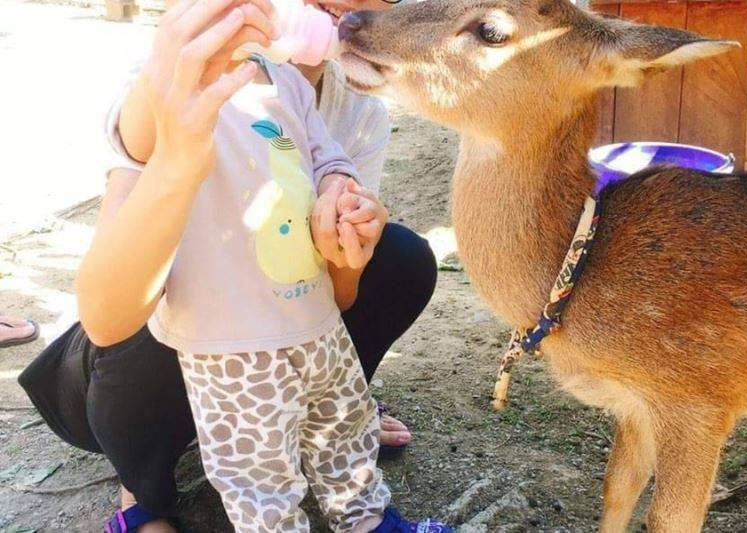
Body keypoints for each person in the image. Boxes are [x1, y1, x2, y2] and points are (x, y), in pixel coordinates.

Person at [19, 0, 446, 531]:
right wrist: (172, 137)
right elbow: (110, 318)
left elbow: (327, 161)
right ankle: (142, 486)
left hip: (296, 320)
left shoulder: (307, 94)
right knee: (257, 481)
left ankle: (338, 463)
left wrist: (343, 222)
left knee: (390, 279)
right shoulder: (170, 77)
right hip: (192, 339)